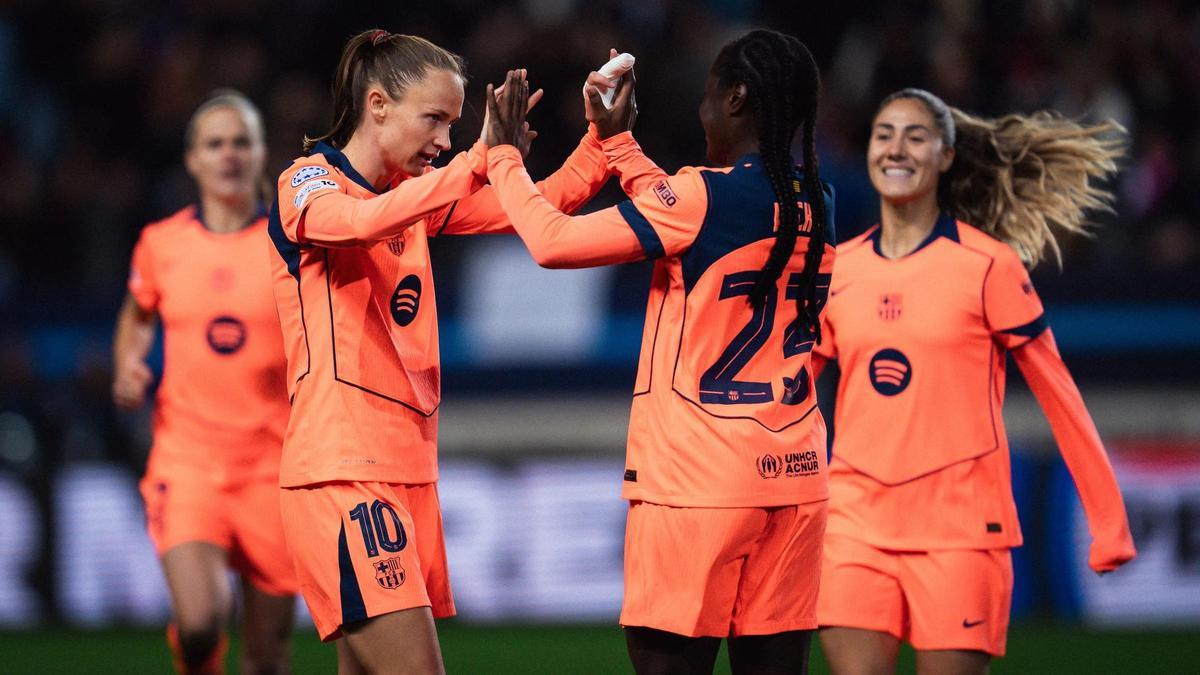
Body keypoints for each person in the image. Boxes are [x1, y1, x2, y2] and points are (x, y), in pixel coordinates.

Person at [268, 30, 639, 674]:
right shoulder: (308, 182)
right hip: (343, 470)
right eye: (434, 119)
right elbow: (358, 224)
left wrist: (601, 139)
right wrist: (479, 156)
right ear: (378, 105)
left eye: (454, 124)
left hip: (407, 470)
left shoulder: (414, 198)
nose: (444, 140)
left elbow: (536, 206)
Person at [482, 30, 834, 675]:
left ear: (736, 98)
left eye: (708, 97)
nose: (702, 113)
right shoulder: (814, 197)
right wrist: (618, 143)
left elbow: (552, 241)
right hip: (797, 475)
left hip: (698, 483)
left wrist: (503, 156)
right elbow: (688, 213)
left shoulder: (703, 197)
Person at [812, 88, 1138, 674]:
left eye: (915, 136)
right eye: (884, 134)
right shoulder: (840, 270)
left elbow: (1060, 398)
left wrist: (1109, 521)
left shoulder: (988, 267)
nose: (896, 148)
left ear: (945, 156)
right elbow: (792, 393)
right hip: (855, 524)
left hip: (961, 531)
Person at [112, 90, 297, 675]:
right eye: (215, 144)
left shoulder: (289, 245)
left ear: (261, 153)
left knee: (267, 654)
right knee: (200, 624)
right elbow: (137, 313)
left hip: (276, 469)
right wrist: (128, 363)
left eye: (241, 142)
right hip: (188, 463)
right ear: (193, 160)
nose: (229, 155)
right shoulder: (162, 244)